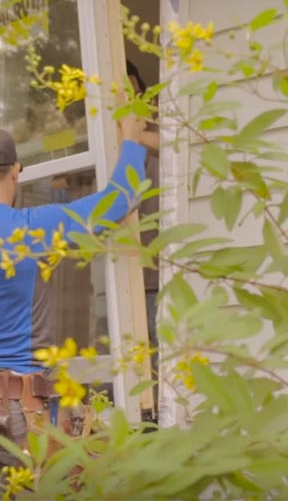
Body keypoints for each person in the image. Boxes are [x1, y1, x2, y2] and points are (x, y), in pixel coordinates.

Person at [0, 114, 146, 498]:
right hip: (22, 414)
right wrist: (131, 138)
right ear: (17, 172)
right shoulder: (33, 228)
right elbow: (121, 200)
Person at [126, 60, 161, 422]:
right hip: (120, 270)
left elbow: (177, 146)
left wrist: (131, 133)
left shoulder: (157, 121)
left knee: (162, 364)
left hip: (158, 272)